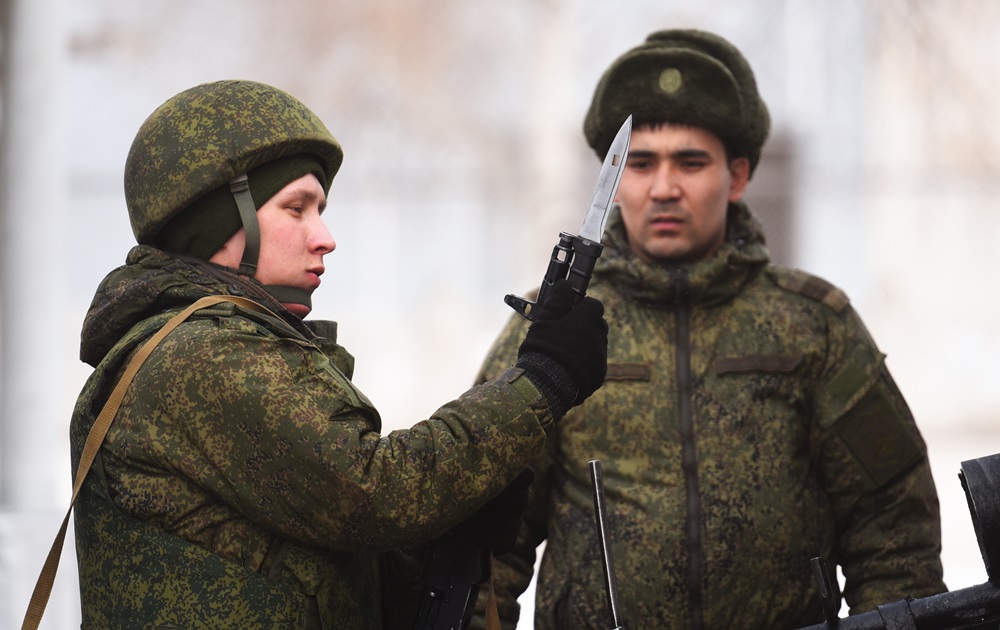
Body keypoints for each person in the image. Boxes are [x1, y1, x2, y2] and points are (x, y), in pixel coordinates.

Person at [68, 79, 608, 629]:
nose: (324, 237)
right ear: (217, 220)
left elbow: (320, 572)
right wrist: (543, 379)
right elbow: (373, 493)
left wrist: (441, 542)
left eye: (320, 209)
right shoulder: (199, 355)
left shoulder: (231, 345)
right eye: (296, 208)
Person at [471, 29, 946, 629]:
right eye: (641, 164)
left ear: (739, 175)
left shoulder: (812, 326)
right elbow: (489, 537)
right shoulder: (557, 330)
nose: (664, 188)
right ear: (615, 180)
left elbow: (894, 527)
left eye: (690, 162)